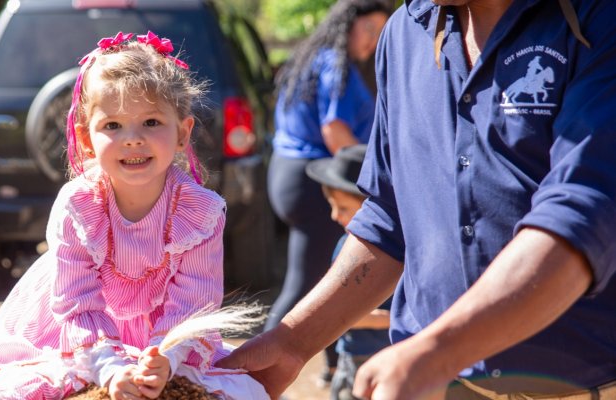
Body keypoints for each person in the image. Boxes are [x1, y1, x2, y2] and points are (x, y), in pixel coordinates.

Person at [217, 0, 616, 399]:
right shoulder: (404, 32)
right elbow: (389, 215)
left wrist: (436, 352)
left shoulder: (597, 19)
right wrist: (294, 341)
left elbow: (584, 212)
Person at [0, 31, 267, 400]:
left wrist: (163, 357)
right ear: (87, 138)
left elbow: (192, 303)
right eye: (112, 126)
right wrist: (109, 367)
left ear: (183, 133)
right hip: (71, 333)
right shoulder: (78, 206)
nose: (132, 139)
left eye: (151, 122)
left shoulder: (201, 212)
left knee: (245, 393)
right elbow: (77, 301)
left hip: (166, 337)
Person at [264, 0, 392, 388]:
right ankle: (255, 373)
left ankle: (335, 365)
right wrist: (374, 179)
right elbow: (335, 131)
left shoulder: (314, 61)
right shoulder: (335, 65)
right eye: (367, 30)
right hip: (316, 179)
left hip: (290, 174)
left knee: (326, 273)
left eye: (379, 34)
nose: (371, 42)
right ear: (347, 25)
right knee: (307, 284)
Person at [305, 145, 391, 400]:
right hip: (353, 357)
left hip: (380, 358)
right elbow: (343, 312)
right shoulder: (344, 246)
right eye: (332, 206)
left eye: (342, 207)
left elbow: (342, 314)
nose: (334, 215)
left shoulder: (396, 251)